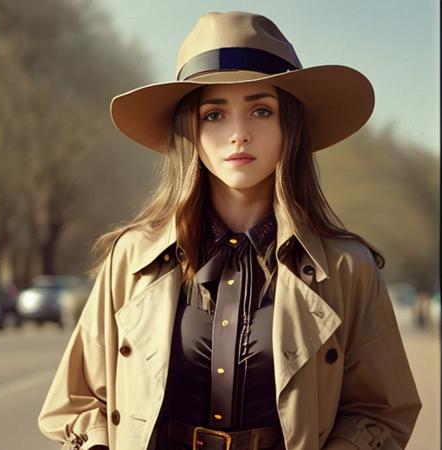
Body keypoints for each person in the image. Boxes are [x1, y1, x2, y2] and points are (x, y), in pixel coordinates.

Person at [38, 11, 421, 450]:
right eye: (215, 115)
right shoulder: (132, 258)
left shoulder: (346, 268)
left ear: (288, 126)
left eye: (261, 110)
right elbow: (76, 402)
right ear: (191, 130)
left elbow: (381, 413)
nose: (239, 134)